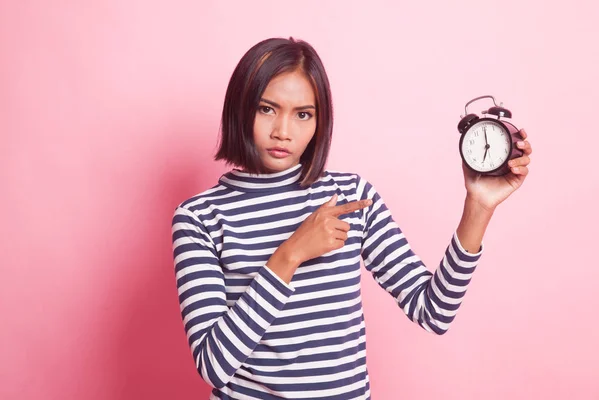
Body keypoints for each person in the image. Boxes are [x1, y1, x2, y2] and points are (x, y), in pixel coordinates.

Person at [170, 36, 532, 400]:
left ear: (319, 121)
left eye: (303, 114)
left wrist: (479, 207)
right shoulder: (199, 217)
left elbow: (433, 312)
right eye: (267, 109)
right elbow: (213, 365)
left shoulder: (352, 197)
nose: (283, 131)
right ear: (240, 108)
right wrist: (289, 254)